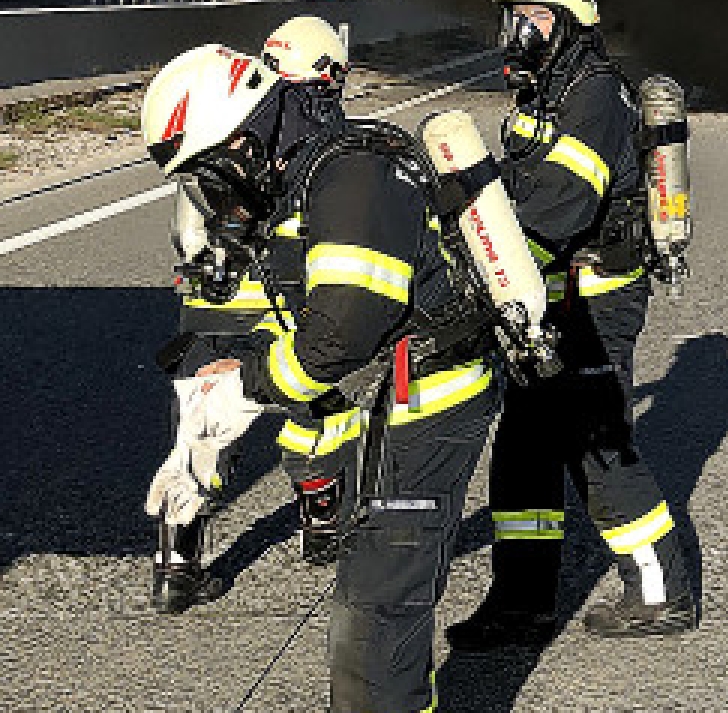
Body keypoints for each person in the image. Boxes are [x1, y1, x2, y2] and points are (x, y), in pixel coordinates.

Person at [140, 41, 510, 711]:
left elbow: (341, 330)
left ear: (245, 143)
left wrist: (248, 389)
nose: (209, 197)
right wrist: (237, 372)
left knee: (376, 622)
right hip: (399, 402)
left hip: (429, 407)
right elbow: (314, 313)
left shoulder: (351, 181)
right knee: (374, 611)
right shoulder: (310, 178)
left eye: (208, 175)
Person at [446, 0, 698, 647]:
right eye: (514, 12)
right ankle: (522, 602)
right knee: (524, 446)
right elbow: (517, 182)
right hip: (550, 300)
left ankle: (661, 592)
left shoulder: (593, 97)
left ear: (568, 16)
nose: (518, 25)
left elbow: (557, 206)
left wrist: (474, 265)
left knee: (599, 448)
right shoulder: (546, 88)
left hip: (595, 301)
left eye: (533, 11)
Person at [149, 17, 355, 613]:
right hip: (282, 305)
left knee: (201, 428)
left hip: (211, 308)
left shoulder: (224, 123)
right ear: (328, 73)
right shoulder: (318, 132)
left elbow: (185, 231)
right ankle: (320, 519)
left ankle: (176, 565)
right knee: (318, 402)